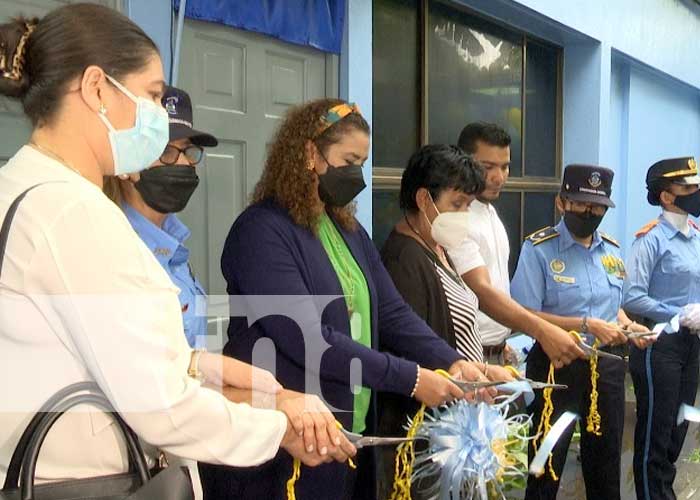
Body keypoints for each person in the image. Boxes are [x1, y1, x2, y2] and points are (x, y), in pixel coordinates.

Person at [0, 4, 354, 485]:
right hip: (84, 480)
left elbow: (82, 347)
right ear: (96, 88)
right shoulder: (74, 213)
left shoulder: (20, 187)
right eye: (149, 97)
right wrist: (278, 428)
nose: (154, 119)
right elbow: (159, 406)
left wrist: (200, 364)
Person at [199, 99, 493, 500]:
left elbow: (392, 313)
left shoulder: (348, 231)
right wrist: (412, 379)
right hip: (285, 445)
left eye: (362, 162)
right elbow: (308, 338)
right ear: (309, 154)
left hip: (345, 436)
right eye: (348, 160)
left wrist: (451, 361)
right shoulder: (261, 231)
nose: (357, 174)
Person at [378, 144, 515, 498]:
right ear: (425, 200)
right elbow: (414, 349)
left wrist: (482, 371)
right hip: (428, 437)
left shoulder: (437, 247)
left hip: (458, 425)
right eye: (457, 205)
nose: (464, 215)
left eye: (469, 205)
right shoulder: (404, 260)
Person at [510, 164, 652, 499]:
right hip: (556, 364)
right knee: (546, 463)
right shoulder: (539, 249)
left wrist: (629, 326)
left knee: (605, 465)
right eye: (580, 204)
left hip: (606, 368)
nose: (589, 213)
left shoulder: (611, 250)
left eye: (597, 207)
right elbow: (525, 314)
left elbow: (612, 303)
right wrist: (586, 325)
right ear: (561, 202)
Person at [450, 122, 584, 369]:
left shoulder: (490, 214)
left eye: (505, 167)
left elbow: (498, 290)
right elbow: (481, 290)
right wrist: (541, 330)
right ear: (464, 163)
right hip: (466, 359)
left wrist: (502, 342)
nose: (498, 177)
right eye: (487, 167)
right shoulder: (457, 218)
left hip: (499, 353)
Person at [104, 85, 215, 348]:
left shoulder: (172, 241)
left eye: (188, 150)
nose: (184, 163)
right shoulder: (116, 247)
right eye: (165, 151)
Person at [623, 157, 700, 500]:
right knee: (657, 430)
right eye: (688, 188)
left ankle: (663, 492)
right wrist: (677, 312)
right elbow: (632, 296)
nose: (696, 193)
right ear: (667, 196)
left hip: (692, 343)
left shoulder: (696, 237)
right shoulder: (650, 240)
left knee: (678, 430)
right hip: (659, 342)